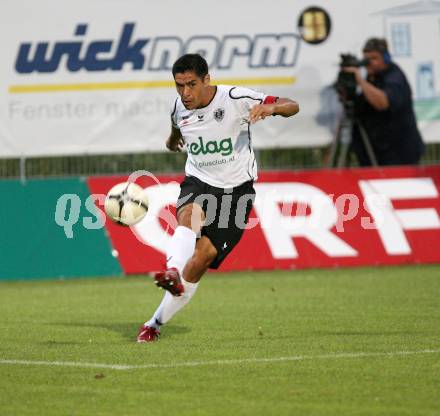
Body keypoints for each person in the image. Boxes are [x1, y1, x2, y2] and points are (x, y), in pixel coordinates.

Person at [137, 53, 299, 342]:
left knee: (203, 258)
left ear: (207, 79)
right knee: (189, 216)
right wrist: (173, 140)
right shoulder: (178, 106)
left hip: (236, 193)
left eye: (191, 84)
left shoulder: (235, 98)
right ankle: (172, 271)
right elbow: (177, 125)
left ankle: (155, 322)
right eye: (179, 85)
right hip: (199, 181)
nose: (185, 93)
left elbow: (293, 105)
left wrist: (270, 109)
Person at [343, 37, 425, 166]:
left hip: (399, 154)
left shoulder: (394, 77)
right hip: (375, 152)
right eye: (366, 59)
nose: (369, 63)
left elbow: (383, 103)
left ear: (386, 58)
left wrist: (360, 81)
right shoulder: (371, 78)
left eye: (374, 58)